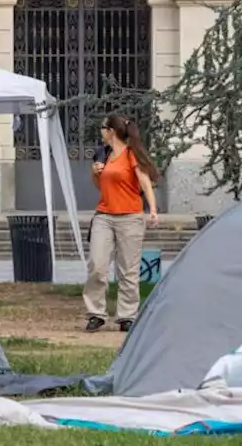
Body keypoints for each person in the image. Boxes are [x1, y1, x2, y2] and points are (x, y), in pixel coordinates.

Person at [83, 113, 160, 333]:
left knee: (128, 270)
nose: (100, 132)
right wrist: (94, 173)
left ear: (111, 131)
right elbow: (102, 187)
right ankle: (96, 313)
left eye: (102, 128)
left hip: (130, 217)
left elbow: (144, 182)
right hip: (104, 216)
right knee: (97, 266)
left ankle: (127, 316)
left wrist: (152, 209)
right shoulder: (102, 154)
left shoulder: (131, 154)